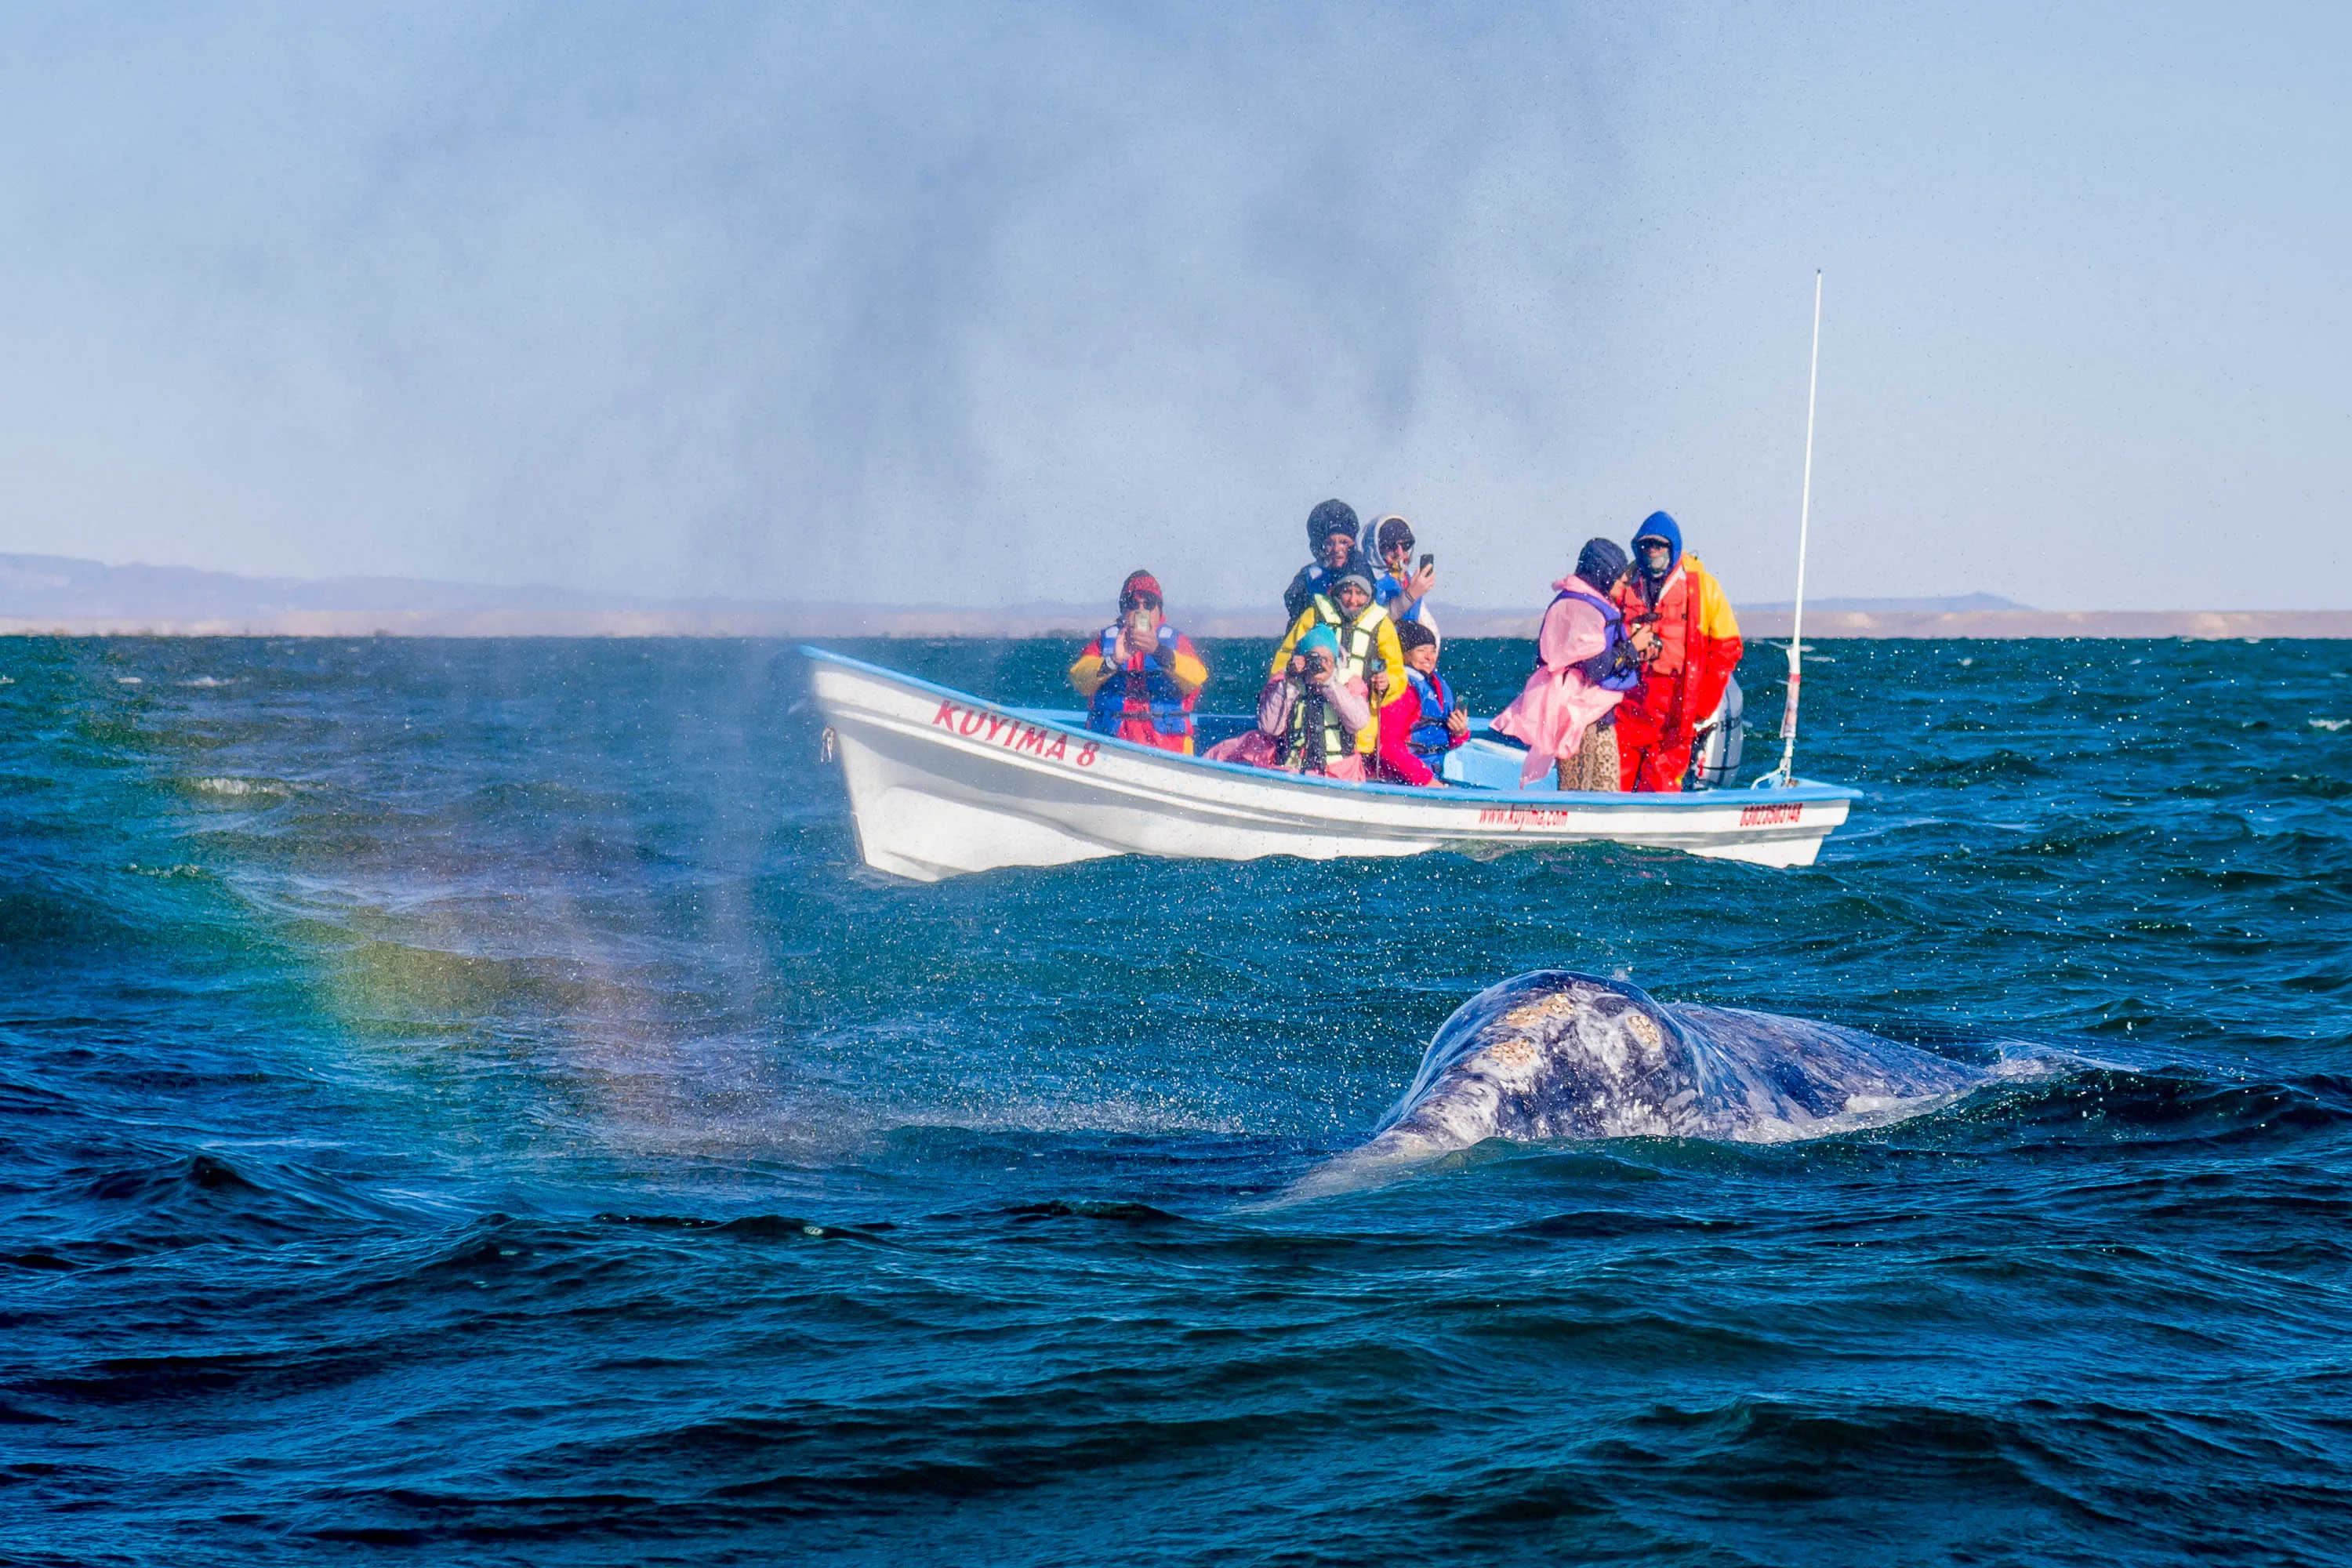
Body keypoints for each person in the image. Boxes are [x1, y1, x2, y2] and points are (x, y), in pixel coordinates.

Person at [1607, 511, 1744, 792]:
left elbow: (1727, 648)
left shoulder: (1703, 588)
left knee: (1662, 786)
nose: (1652, 551)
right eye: (1646, 545)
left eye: (1659, 545)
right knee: (1614, 782)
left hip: (1676, 708)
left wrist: (1703, 705)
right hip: (1627, 704)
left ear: (1673, 547)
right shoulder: (1624, 584)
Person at [1491, 538, 1642, 789]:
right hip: (1575, 714)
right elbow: (1596, 668)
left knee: (1605, 790)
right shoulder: (1579, 608)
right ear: (1602, 574)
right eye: (1618, 573)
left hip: (1595, 713)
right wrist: (1632, 647)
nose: (1625, 579)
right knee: (1579, 789)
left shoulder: (1591, 602)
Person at [1268, 567, 1410, 760]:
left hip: (1360, 729)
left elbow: (1397, 672)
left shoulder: (1382, 625)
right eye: (1347, 592)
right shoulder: (1314, 615)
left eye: (1360, 593)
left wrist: (1387, 683)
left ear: (1370, 595)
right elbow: (1285, 656)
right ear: (1336, 591)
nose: (1353, 600)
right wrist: (1287, 679)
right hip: (1312, 718)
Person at [1066, 569, 1209, 753]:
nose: (1141, 610)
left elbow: (1197, 678)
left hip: (1168, 749)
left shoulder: (1177, 642)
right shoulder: (1104, 642)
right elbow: (1079, 679)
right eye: (1133, 603)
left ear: (1159, 609)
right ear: (1123, 610)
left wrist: (1158, 651)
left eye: (1148, 603)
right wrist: (1113, 661)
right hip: (1111, 746)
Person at [1204, 626, 1372, 780]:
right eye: (1313, 657)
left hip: (1340, 774)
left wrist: (1330, 685)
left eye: (1326, 659)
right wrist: (1290, 683)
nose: (1319, 665)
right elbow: (1270, 728)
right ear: (1302, 658)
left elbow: (1359, 722)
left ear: (1335, 661)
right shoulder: (1286, 682)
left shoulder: (1348, 683)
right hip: (1291, 769)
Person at [1372, 618, 1468, 786]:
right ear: (1404, 655)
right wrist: (1426, 780)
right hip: (1400, 782)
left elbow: (1439, 740)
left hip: (1431, 777)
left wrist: (1459, 733)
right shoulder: (1403, 688)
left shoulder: (1436, 685)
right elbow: (1387, 746)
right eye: (1421, 650)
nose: (1429, 657)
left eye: (1433, 650)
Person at [1281, 499, 1370, 626]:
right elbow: (1294, 605)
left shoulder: (1364, 572)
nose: (1337, 549)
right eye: (1329, 543)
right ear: (1320, 547)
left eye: (1344, 542)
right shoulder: (1311, 576)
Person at [1366, 514, 1438, 631]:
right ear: (1375, 547)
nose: (1399, 553)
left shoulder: (1409, 578)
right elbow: (1371, 624)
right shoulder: (1367, 579)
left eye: (1405, 545)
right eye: (1391, 545)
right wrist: (1409, 596)